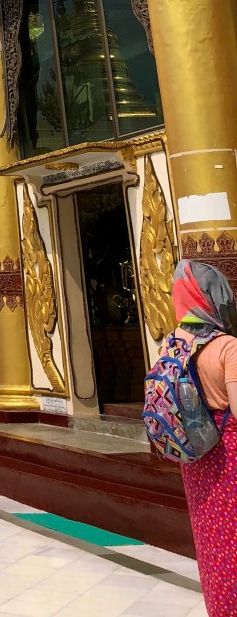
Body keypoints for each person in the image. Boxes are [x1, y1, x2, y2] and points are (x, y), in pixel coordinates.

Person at [169, 259, 237, 616]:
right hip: (230, 459)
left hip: (196, 460)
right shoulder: (227, 347)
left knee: (214, 543)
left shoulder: (174, 349)